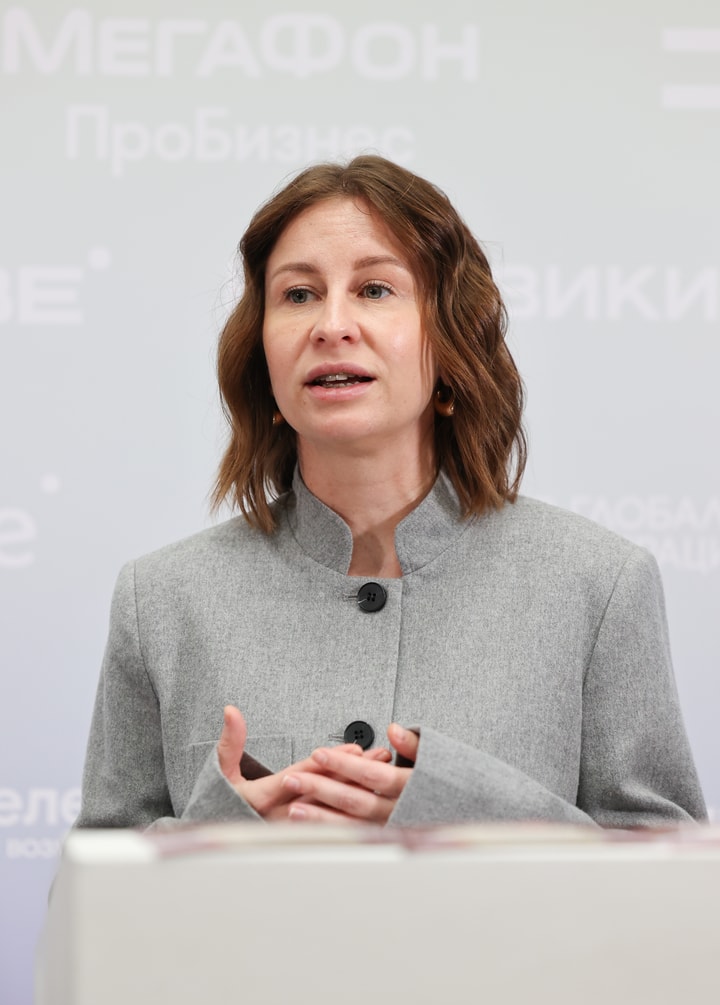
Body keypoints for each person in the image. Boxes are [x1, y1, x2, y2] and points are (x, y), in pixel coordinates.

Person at [76, 155, 706, 831]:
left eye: (375, 290)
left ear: (452, 338)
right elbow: (92, 879)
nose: (331, 325)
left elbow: (669, 871)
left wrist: (475, 812)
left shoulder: (597, 584)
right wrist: (214, 838)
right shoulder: (162, 600)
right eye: (298, 295)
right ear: (261, 354)